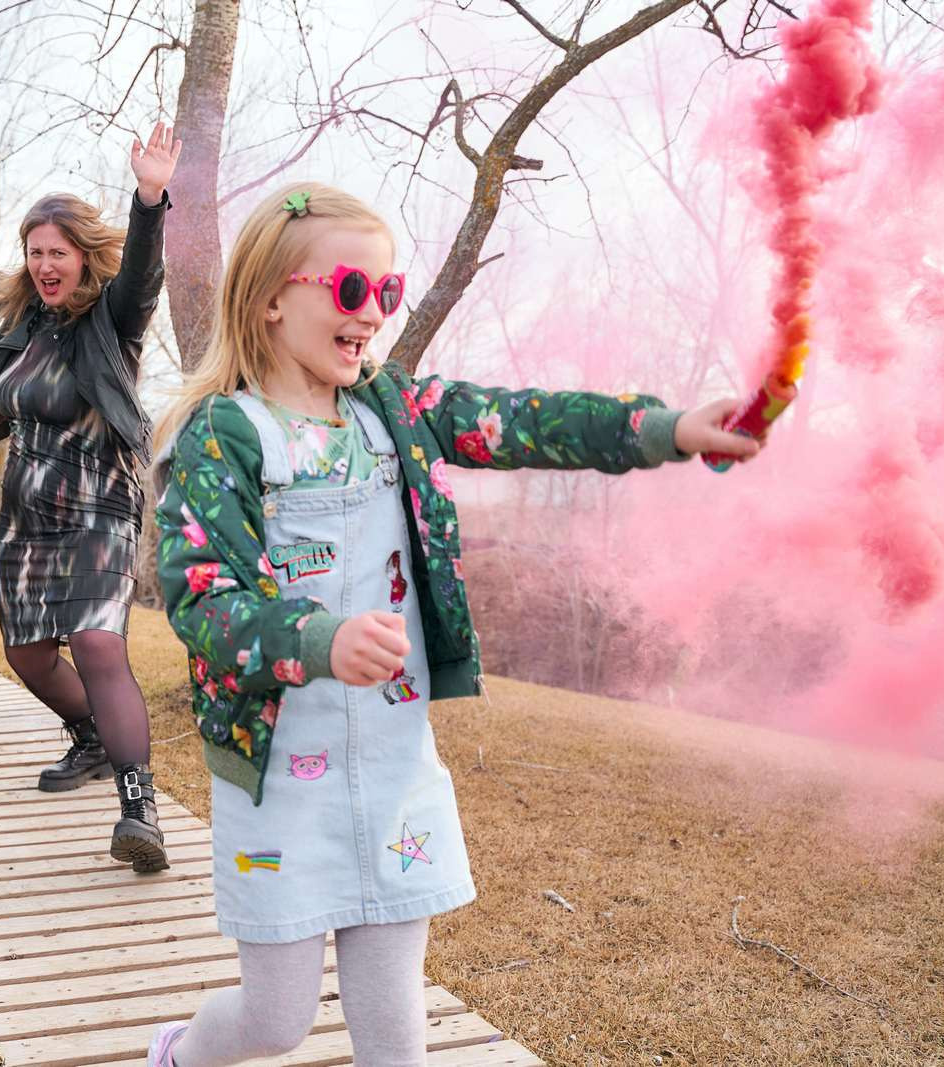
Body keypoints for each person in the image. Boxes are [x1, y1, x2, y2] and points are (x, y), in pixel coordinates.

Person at [144, 182, 761, 1065]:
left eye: (388, 295)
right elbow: (202, 598)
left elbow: (523, 422)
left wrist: (669, 428)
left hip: (396, 770)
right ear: (273, 296)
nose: (375, 315)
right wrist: (319, 640)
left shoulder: (392, 413)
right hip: (280, 782)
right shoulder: (224, 435)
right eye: (354, 290)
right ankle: (178, 1053)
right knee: (275, 1021)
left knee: (396, 1036)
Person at [0, 122, 183, 873]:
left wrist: (149, 198)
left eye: (58, 253)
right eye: (36, 252)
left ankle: (139, 809)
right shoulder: (21, 311)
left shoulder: (112, 319)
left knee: (100, 644)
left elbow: (142, 273)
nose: (46, 266)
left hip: (100, 502)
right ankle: (94, 738)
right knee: (29, 653)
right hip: (27, 511)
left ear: (82, 257)